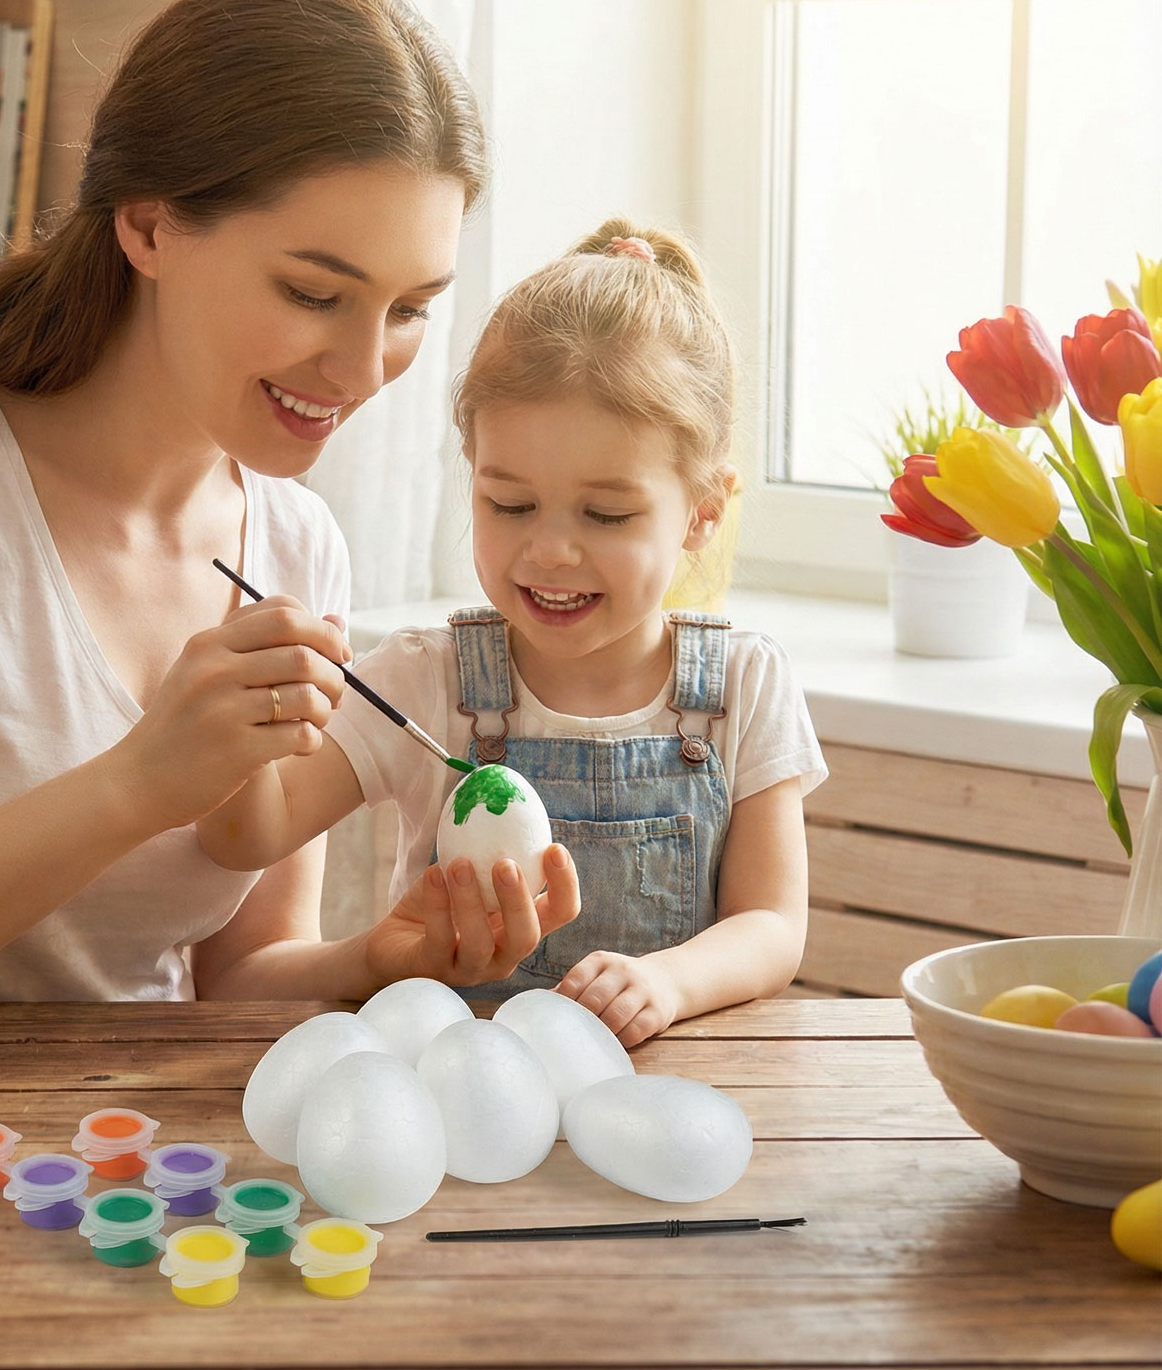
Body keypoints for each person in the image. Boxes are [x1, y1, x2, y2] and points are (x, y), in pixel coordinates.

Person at [0, 0, 581, 1002]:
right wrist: (133, 786)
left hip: (141, 1157)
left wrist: (378, 961)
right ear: (149, 225)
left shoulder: (295, 546)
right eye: (312, 291)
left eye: (408, 309)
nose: (359, 367)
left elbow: (238, 974)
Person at [199, 220, 827, 1043]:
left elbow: (775, 928)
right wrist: (249, 715)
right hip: (456, 1094)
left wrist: (666, 982)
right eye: (509, 504)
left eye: (606, 514)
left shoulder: (743, 686)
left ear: (702, 510)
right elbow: (248, 837)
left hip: (660, 1104)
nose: (550, 551)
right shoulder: (429, 676)